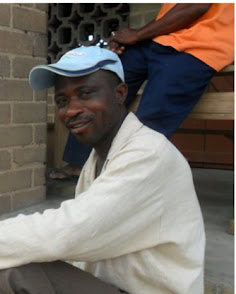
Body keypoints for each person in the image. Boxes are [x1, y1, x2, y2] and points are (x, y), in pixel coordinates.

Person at [0, 46, 209, 294]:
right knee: (17, 272)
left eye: (85, 94)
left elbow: (68, 231)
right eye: (62, 101)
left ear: (120, 94)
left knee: (16, 280)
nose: (71, 110)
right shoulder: (99, 157)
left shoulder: (148, 154)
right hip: (118, 293)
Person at [53, 3, 235, 180]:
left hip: (200, 47)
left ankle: (129, 174)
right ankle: (79, 164)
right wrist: (128, 40)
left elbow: (194, 6)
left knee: (152, 117)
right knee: (100, 83)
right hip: (160, 39)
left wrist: (137, 34)